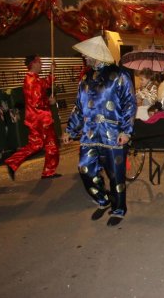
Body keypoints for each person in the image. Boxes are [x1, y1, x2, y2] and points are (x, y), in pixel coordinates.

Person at [62, 36, 137, 227]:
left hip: (113, 134)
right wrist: (70, 130)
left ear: (96, 55)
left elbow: (130, 104)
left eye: (86, 56)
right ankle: (103, 201)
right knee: (84, 169)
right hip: (89, 134)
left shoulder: (120, 75)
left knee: (115, 175)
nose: (84, 59)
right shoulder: (85, 79)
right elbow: (79, 108)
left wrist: (126, 131)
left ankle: (119, 209)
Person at [4, 55, 60, 181]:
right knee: (51, 145)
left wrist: (52, 72)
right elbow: (37, 102)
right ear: (34, 63)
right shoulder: (32, 81)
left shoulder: (33, 79)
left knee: (36, 144)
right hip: (41, 119)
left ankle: (13, 161)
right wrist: (49, 101)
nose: (41, 65)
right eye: (39, 62)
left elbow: (45, 84)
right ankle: (48, 172)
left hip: (35, 119)